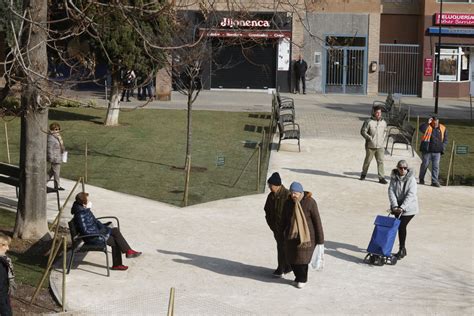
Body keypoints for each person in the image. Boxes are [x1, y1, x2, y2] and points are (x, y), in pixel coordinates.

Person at [71, 192, 142, 271]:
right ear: (83, 202)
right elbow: (86, 231)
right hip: (92, 238)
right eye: (87, 199)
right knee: (115, 241)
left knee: (115, 230)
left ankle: (128, 252)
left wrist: (104, 228)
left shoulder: (83, 210)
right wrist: (101, 232)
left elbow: (95, 221)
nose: (89, 201)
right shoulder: (81, 214)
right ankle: (119, 262)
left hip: (96, 233)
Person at [282, 182, 324, 289]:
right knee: (292, 258)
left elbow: (317, 221)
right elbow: (284, 219)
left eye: (295, 193)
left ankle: (302, 279)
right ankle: (297, 277)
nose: (293, 195)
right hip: (292, 236)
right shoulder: (288, 203)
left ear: (301, 193)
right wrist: (282, 232)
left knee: (302, 260)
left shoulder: (310, 202)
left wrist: (320, 240)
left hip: (307, 237)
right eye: (291, 193)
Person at [388, 160, 419, 260]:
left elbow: (411, 195)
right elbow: (391, 191)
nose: (402, 170)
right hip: (397, 208)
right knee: (398, 227)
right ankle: (402, 248)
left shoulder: (411, 180)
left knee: (401, 226)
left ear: (407, 168)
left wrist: (402, 207)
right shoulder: (394, 178)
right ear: (397, 168)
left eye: (405, 168)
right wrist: (395, 206)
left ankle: (402, 249)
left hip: (409, 208)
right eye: (400, 168)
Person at [263, 172, 291, 277]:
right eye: (269, 185)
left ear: (277, 185)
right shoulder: (271, 196)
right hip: (277, 228)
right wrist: (272, 225)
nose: (269, 187)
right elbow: (267, 210)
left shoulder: (287, 195)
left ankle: (282, 268)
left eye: (271, 185)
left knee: (284, 247)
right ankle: (285, 267)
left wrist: (289, 227)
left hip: (286, 229)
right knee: (281, 247)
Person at [360, 105, 387, 184]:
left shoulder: (384, 122)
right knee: (367, 161)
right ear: (374, 113)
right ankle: (363, 174)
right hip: (370, 146)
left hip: (380, 146)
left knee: (380, 161)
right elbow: (363, 131)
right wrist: (369, 138)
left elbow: (385, 131)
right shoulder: (368, 121)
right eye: (377, 112)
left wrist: (382, 139)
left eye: (380, 112)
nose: (378, 114)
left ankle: (381, 178)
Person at [419, 116, 448, 187]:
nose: (435, 124)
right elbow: (421, 129)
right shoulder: (427, 126)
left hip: (437, 151)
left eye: (436, 123)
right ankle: (421, 179)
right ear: (431, 121)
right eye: (433, 123)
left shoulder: (443, 128)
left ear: (438, 121)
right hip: (427, 150)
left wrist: (442, 146)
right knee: (424, 165)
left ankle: (434, 181)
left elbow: (446, 139)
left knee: (436, 167)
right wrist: (427, 122)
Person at [0, 233, 15, 316]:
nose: (8, 248)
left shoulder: (4, 260)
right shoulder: (1, 263)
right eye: (6, 246)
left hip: (4, 292)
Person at [47, 122, 65, 190]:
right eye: (56, 129)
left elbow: (60, 146)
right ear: (52, 129)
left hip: (58, 156)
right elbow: (49, 148)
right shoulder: (51, 137)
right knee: (56, 172)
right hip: (55, 158)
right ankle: (57, 186)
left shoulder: (58, 137)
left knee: (51, 172)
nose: (57, 131)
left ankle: (43, 182)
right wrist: (51, 158)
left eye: (58, 129)